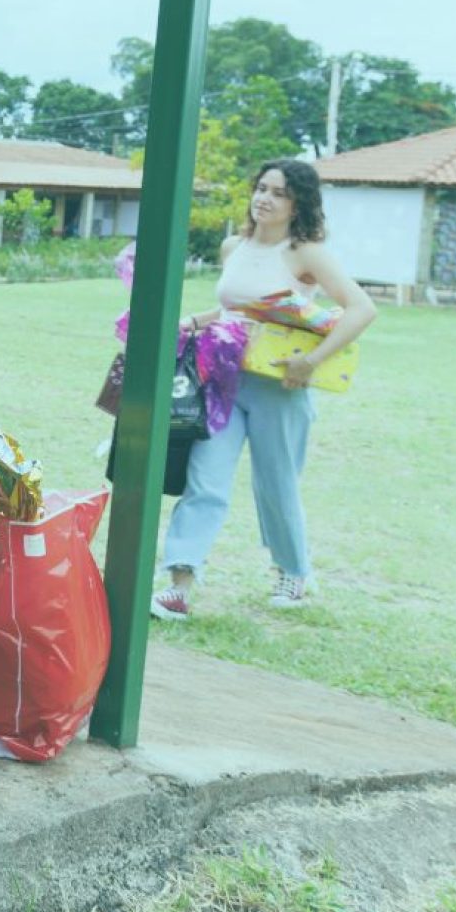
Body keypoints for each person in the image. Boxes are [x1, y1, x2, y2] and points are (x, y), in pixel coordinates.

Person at [151, 159, 376, 619]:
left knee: (276, 483)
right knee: (205, 480)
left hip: (281, 387)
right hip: (224, 380)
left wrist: (310, 361)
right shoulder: (234, 246)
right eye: (261, 188)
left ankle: (294, 572)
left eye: (278, 192)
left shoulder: (305, 253)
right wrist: (190, 323)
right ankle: (181, 583)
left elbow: (361, 309)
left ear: (298, 205)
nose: (264, 198)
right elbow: (235, 310)